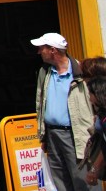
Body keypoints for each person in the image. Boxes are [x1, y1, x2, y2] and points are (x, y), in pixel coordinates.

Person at [32, 32, 96, 191]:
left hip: (76, 135)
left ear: (53, 50)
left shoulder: (80, 72)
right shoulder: (44, 72)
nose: (39, 52)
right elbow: (40, 102)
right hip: (52, 136)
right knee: (60, 181)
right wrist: (43, 134)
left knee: (82, 181)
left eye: (42, 48)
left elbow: (95, 105)